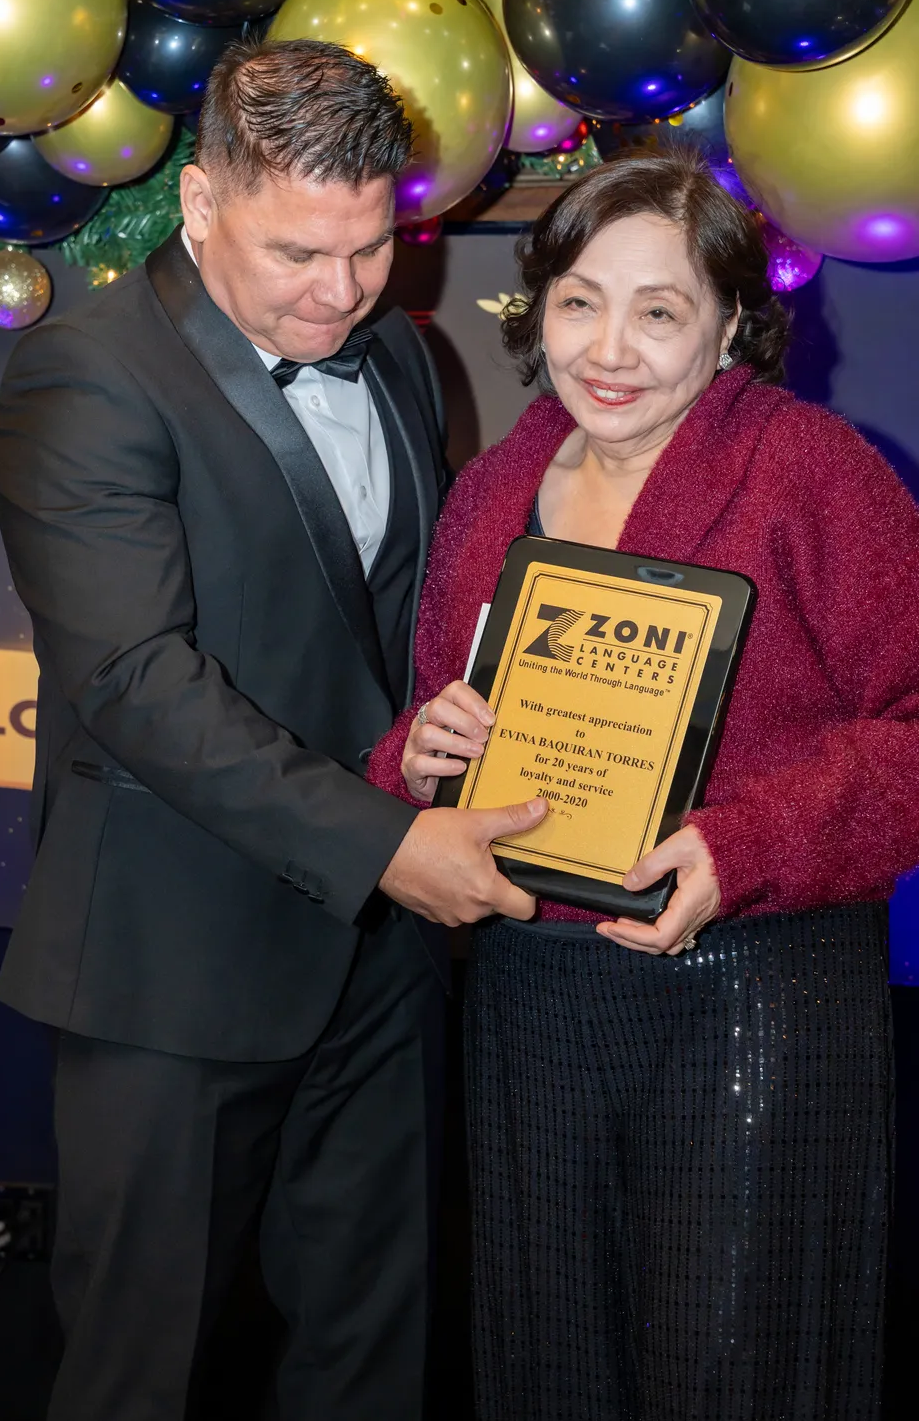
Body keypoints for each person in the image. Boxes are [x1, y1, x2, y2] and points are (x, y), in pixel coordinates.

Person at [0, 38, 546, 1421]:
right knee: (140, 1377)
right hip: (173, 967)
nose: (343, 291)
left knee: (371, 1353)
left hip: (382, 969)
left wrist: (449, 723)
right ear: (198, 203)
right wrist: (388, 842)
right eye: (300, 252)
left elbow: (394, 629)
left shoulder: (404, 355)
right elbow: (134, 681)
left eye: (370, 249)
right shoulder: (87, 373)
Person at [367, 149, 919, 1421]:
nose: (608, 348)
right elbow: (419, 748)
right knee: (555, 1363)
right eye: (578, 300)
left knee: (730, 1369)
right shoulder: (491, 493)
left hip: (755, 1001)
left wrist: (747, 844)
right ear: (539, 308)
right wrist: (419, 760)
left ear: (729, 326)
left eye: (659, 310)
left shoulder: (812, 472)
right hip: (536, 1001)